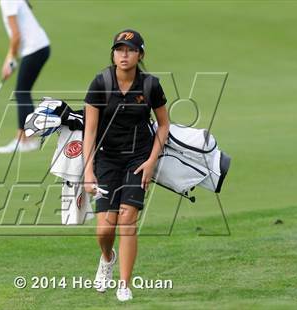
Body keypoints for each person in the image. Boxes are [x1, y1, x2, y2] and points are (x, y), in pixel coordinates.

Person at [83, 29, 170, 301]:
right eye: (119, 49)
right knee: (105, 229)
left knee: (128, 222)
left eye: (130, 50)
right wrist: (87, 170)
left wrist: (151, 160)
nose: (124, 54)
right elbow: (90, 131)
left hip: (138, 159)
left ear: (140, 55)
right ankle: (107, 258)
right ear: (113, 53)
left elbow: (164, 125)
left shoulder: (150, 86)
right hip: (107, 159)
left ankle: (124, 284)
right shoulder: (100, 83)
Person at [0, 0, 50, 153]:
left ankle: (22, 139)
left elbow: (16, 36)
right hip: (39, 47)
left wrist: (10, 58)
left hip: (35, 49)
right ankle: (30, 139)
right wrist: (13, 58)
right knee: (24, 91)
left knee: (21, 92)